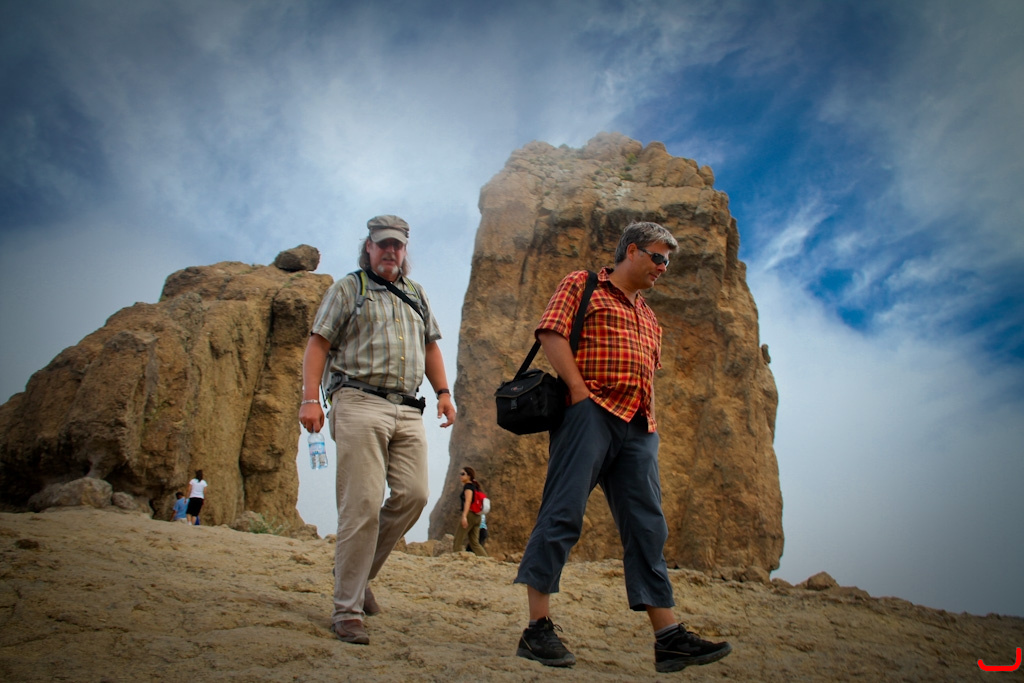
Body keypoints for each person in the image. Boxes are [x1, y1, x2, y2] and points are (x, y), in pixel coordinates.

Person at [513, 222, 733, 673]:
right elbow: (551, 332)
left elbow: (646, 372)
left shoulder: (649, 316)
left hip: (638, 425)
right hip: (589, 414)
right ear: (631, 251)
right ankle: (537, 629)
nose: (663, 267)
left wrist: (647, 424)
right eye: (658, 257)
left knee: (648, 527)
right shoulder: (584, 284)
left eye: (668, 261)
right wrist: (578, 392)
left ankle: (668, 638)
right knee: (562, 513)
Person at [298, 214, 457, 646]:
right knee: (362, 505)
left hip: (407, 408)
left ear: (405, 250)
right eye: (382, 244)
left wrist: (443, 393)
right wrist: (310, 399)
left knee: (414, 495)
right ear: (368, 247)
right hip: (358, 400)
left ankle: (356, 571)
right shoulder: (349, 289)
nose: (390, 251)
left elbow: (430, 346)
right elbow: (318, 343)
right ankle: (347, 610)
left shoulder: (416, 293)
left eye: (397, 245)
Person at [452, 466, 487, 557]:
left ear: (469, 476)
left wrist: (464, 516)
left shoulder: (468, 487)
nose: (460, 476)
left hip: (470, 515)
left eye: (463, 474)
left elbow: (468, 501)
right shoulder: (475, 487)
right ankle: (487, 560)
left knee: (457, 540)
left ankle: (457, 559)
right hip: (478, 517)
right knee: (474, 543)